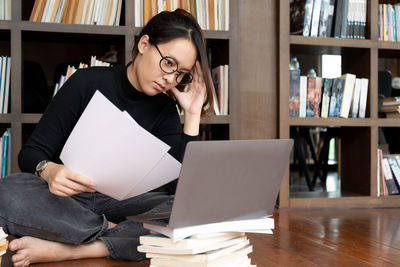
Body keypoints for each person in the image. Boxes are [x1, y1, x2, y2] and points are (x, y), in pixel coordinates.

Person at [0, 9, 214, 266]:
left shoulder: (165, 110)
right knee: (7, 191)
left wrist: (191, 116)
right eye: (168, 63)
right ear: (144, 44)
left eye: (181, 74)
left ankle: (77, 249)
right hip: (66, 201)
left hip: (121, 206)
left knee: (192, 211)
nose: (171, 79)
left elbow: (181, 193)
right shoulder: (86, 82)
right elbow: (31, 153)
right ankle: (118, 237)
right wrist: (48, 170)